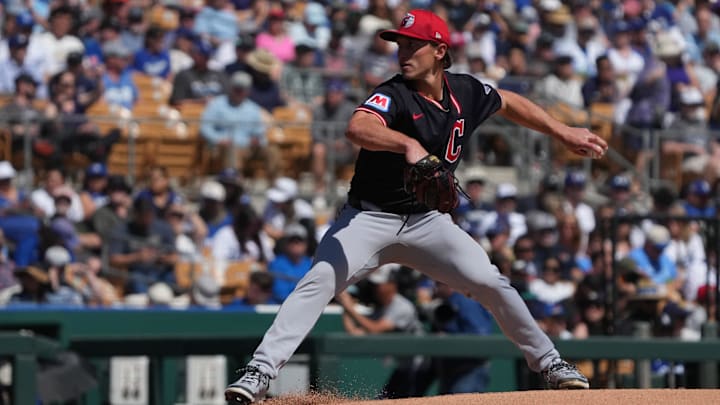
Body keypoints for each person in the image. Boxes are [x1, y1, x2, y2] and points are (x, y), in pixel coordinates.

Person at [225, 10, 606, 403]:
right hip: (368, 218)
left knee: (490, 281)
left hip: (428, 223)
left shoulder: (466, 92)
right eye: (399, 44)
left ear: (440, 50)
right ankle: (259, 371)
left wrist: (562, 131)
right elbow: (358, 126)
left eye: (412, 44)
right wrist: (406, 143)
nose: (402, 52)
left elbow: (507, 101)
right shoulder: (394, 93)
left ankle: (550, 362)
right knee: (319, 280)